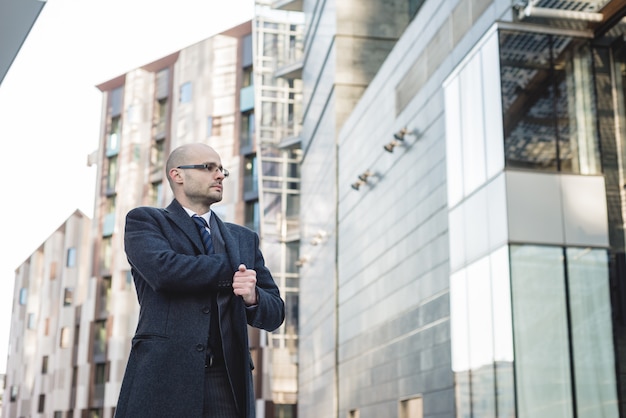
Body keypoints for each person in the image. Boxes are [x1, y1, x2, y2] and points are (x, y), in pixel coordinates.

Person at [115, 143, 285, 418]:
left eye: (221, 169)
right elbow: (165, 271)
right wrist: (231, 269)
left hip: (226, 381)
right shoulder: (146, 221)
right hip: (163, 377)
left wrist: (253, 297)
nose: (219, 175)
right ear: (177, 175)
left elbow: (275, 313)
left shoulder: (243, 239)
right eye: (208, 167)